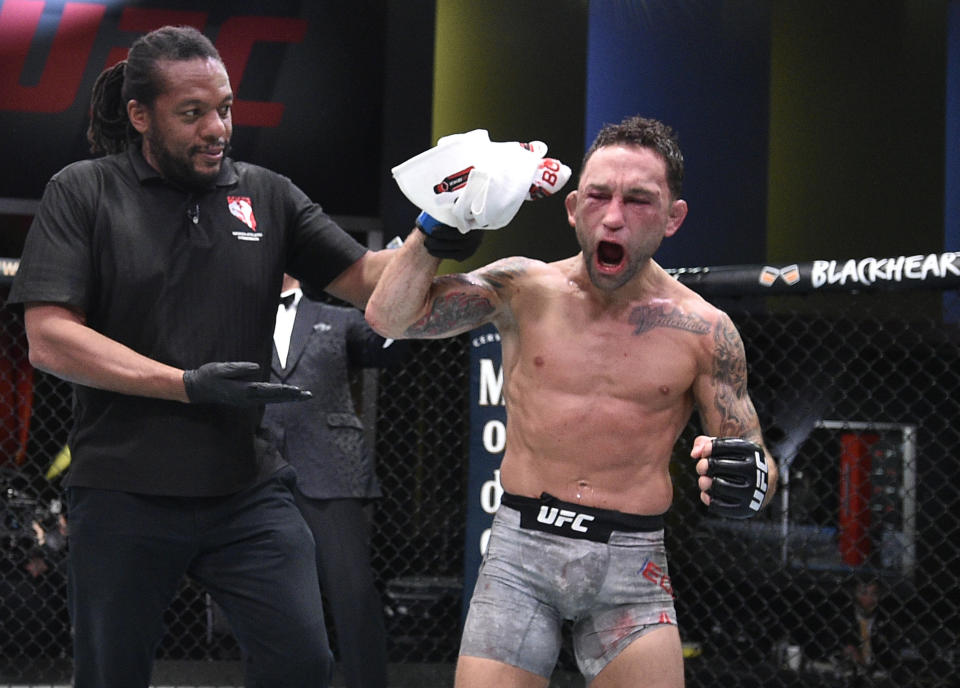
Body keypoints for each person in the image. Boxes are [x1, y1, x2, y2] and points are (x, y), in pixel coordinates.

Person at [7, 25, 394, 687]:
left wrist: (444, 226)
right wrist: (185, 385)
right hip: (122, 489)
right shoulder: (85, 190)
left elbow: (374, 284)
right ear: (140, 116)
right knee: (111, 677)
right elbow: (49, 339)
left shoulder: (267, 193)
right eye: (192, 114)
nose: (217, 128)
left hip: (245, 491)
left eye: (225, 108)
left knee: (304, 664)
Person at [365, 115, 779, 688]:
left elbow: (752, 457)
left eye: (638, 200)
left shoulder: (705, 330)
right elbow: (389, 318)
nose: (613, 217)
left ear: (672, 219)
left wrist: (747, 478)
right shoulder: (521, 289)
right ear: (571, 207)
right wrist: (435, 230)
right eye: (599, 197)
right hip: (519, 558)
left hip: (630, 569)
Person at [262, 274, 409, 688]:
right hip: (255, 469)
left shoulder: (337, 318)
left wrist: (403, 294)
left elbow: (389, 345)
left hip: (329, 469)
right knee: (267, 597)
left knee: (353, 595)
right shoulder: (236, 315)